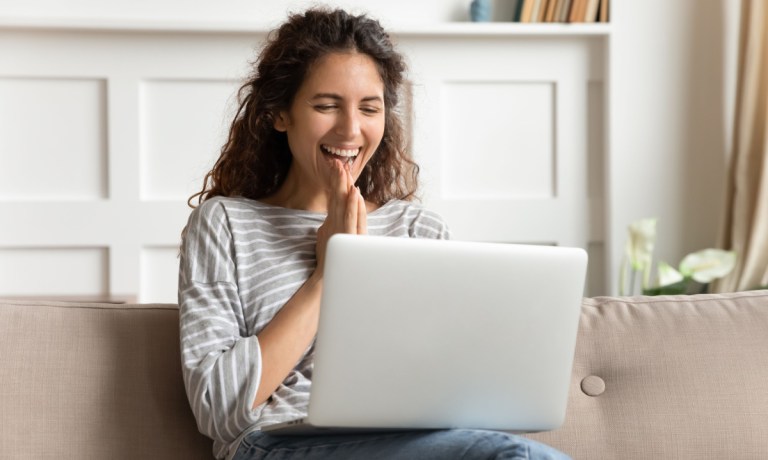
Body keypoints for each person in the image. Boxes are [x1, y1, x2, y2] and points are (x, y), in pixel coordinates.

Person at [178, 7, 571, 460]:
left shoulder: (418, 230)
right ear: (280, 114)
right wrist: (331, 272)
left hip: (413, 441)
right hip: (273, 445)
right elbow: (218, 408)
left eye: (369, 108)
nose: (350, 129)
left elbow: (445, 381)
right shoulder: (225, 224)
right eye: (326, 106)